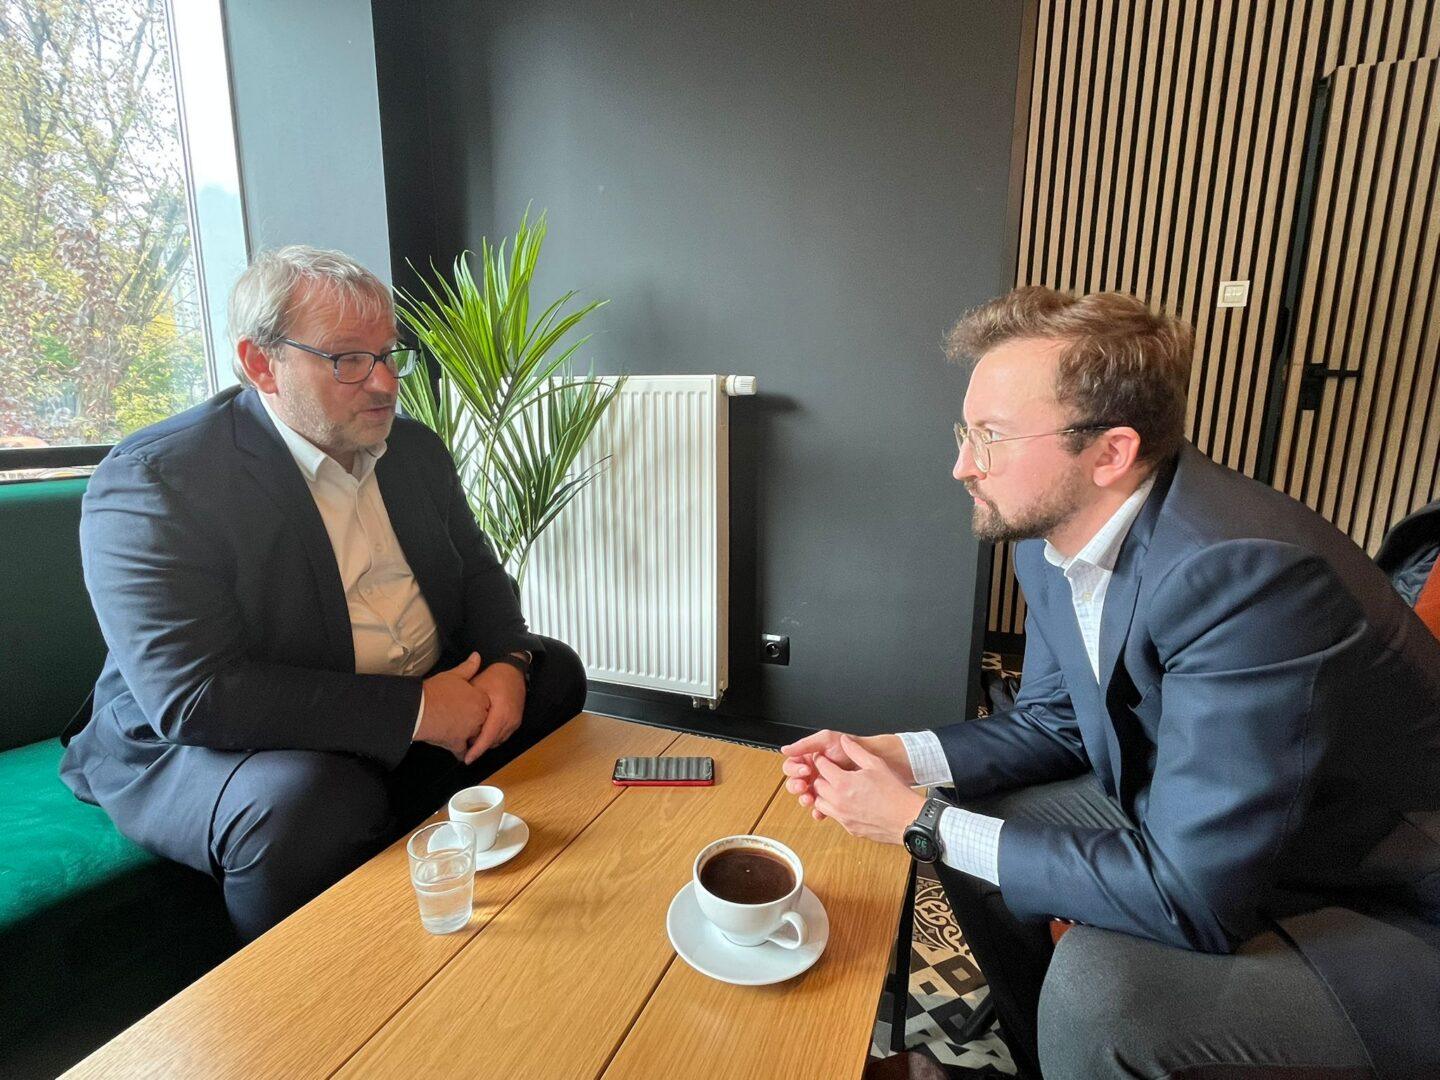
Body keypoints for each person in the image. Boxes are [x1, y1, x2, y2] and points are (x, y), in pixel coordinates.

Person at [783, 287, 1440, 1080]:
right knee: (974, 832)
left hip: (1374, 893)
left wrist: (917, 822)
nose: (962, 466)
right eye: (967, 432)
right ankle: (1036, 1061)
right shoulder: (1050, 537)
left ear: (1110, 452)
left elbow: (1193, 895)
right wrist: (898, 756)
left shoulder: (1247, 576)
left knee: (1099, 997)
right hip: (1202, 816)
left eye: (991, 437)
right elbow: (1053, 721)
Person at [61, 246, 587, 942]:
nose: (383, 383)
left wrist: (507, 665)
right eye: (347, 360)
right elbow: (195, 697)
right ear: (261, 364)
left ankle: (505, 886)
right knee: (312, 802)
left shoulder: (414, 451)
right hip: (210, 740)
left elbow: (480, 576)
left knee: (556, 671)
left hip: (396, 687)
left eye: (388, 354)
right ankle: (307, 994)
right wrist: (418, 710)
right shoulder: (158, 479)